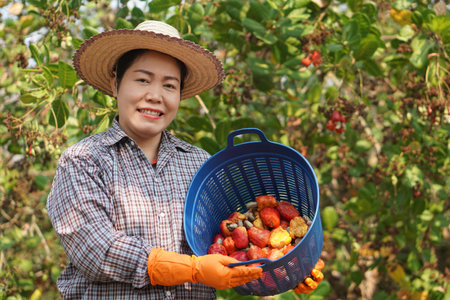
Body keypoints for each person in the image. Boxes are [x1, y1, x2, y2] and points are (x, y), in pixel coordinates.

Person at [46, 20, 324, 299]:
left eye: (169, 85)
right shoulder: (84, 161)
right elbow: (96, 251)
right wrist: (192, 269)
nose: (155, 96)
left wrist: (286, 268)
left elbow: (229, 245)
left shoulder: (198, 163)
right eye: (142, 80)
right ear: (115, 84)